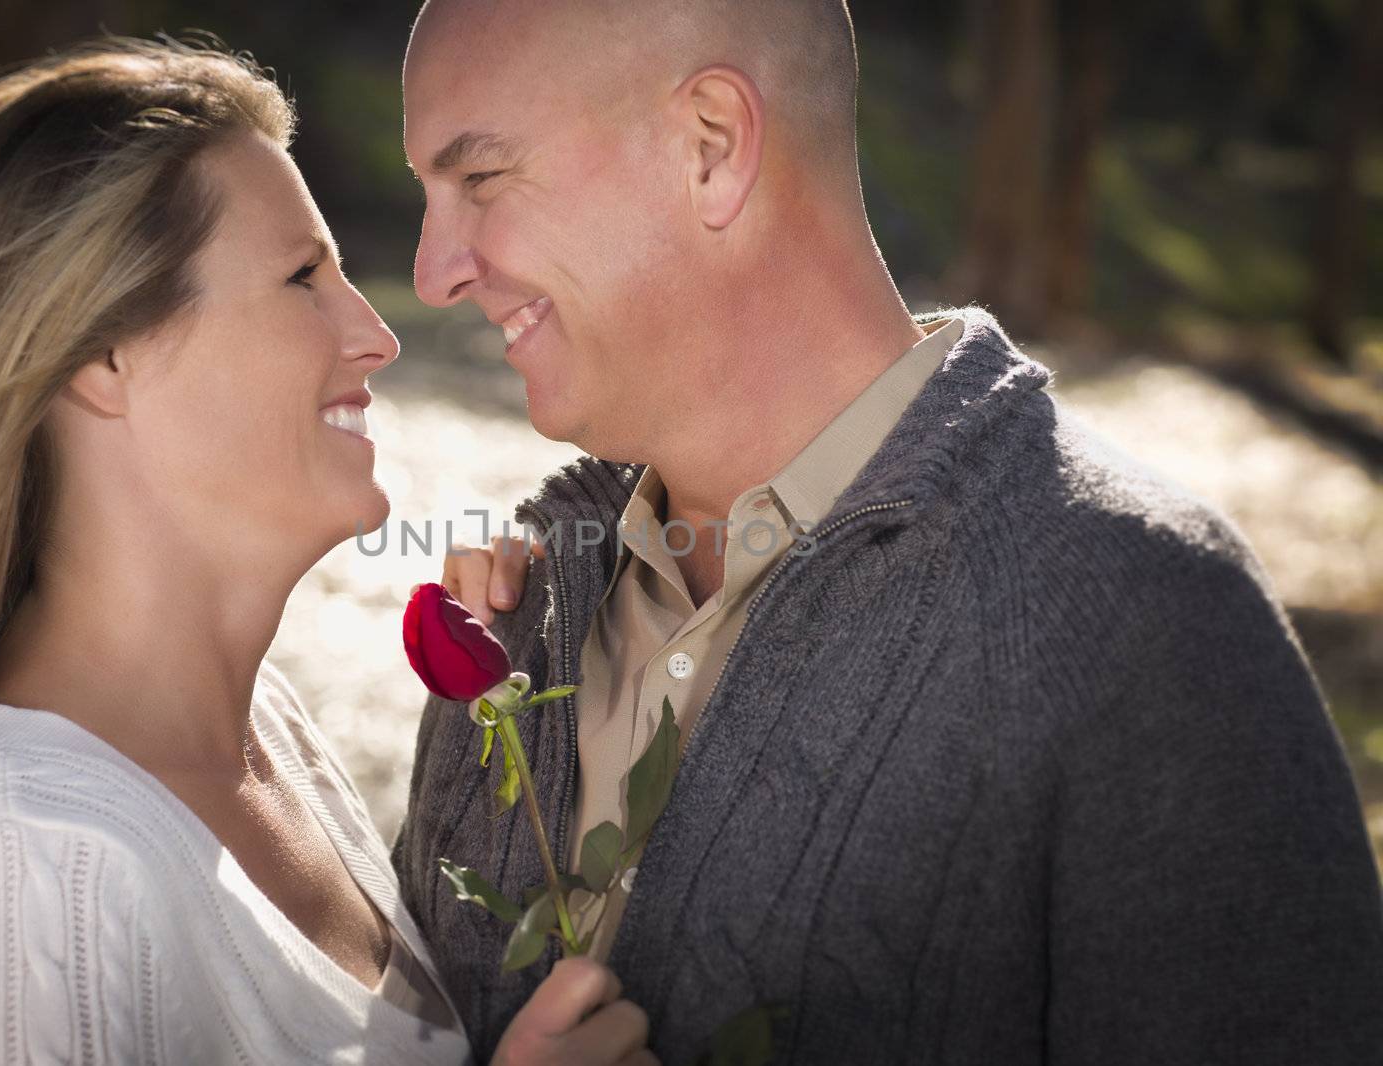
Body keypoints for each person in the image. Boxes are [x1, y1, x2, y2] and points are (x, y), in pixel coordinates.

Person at [391, 1, 1383, 1063]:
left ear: (710, 148)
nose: (430, 270)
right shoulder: (514, 618)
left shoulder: (1144, 621)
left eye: (480, 178)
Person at [0, 39, 656, 1066]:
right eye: (301, 277)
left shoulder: (266, 733)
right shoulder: (28, 862)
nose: (378, 334)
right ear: (105, 355)